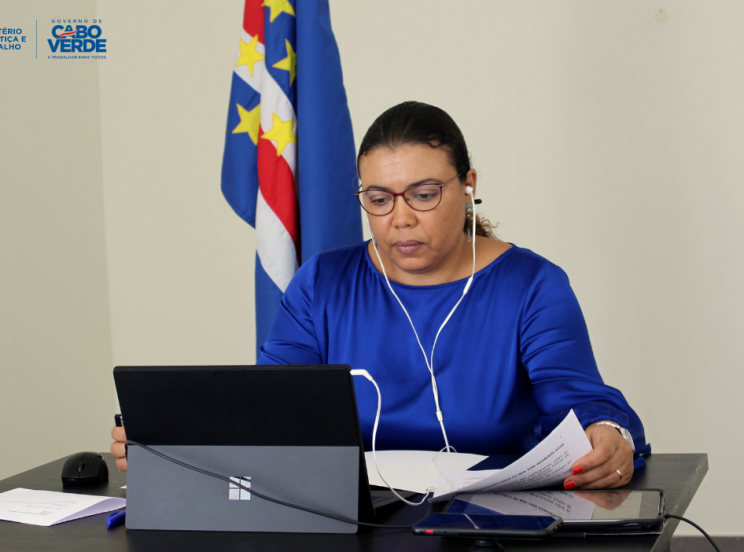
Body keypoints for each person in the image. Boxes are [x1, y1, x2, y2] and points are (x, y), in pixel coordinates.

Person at [112, 101, 649, 490]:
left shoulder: (531, 285)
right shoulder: (322, 283)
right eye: (379, 198)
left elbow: (582, 402)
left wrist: (606, 433)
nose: (401, 218)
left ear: (468, 187)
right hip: (354, 522)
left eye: (424, 194)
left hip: (494, 524)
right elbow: (270, 411)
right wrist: (176, 444)